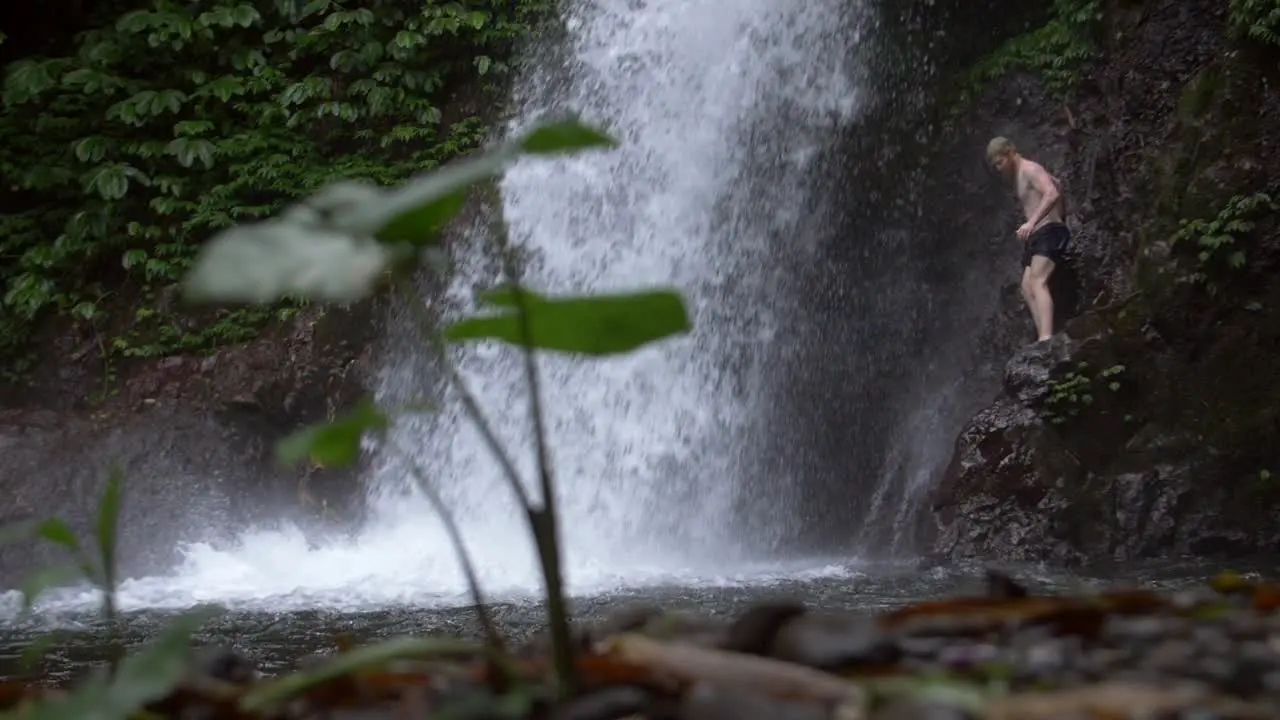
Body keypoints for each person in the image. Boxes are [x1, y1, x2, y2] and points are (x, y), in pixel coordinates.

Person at [987, 136, 1070, 344]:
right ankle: (1043, 333)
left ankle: (1046, 338)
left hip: (1049, 231)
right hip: (1038, 236)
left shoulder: (1030, 169)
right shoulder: (1018, 176)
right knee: (1026, 287)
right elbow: (1056, 185)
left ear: (1011, 152)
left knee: (1037, 281)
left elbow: (1051, 193)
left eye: (1000, 162)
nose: (999, 168)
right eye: (995, 165)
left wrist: (1032, 223)